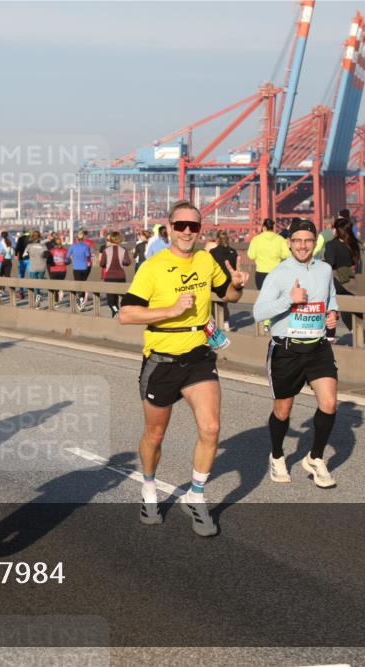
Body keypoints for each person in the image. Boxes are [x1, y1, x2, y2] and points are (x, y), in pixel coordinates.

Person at [118, 200, 248, 535]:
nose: (187, 231)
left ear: (199, 229)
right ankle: (149, 489)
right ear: (170, 227)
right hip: (161, 360)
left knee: (210, 428)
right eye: (181, 226)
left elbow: (230, 297)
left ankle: (197, 495)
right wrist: (171, 310)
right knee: (155, 434)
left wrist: (237, 284)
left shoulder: (206, 260)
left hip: (199, 355)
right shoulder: (153, 266)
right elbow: (126, 314)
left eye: (194, 226)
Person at [252, 219, 341, 488]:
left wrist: (332, 314)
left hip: (318, 348)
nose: (303, 246)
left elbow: (331, 298)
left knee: (329, 404)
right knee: (283, 410)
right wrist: (289, 299)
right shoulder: (278, 274)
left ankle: (315, 458)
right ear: (289, 243)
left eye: (308, 241)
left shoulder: (325, 269)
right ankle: (277, 456)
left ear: (315, 243)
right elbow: (258, 312)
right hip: (286, 351)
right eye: (298, 240)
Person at [323, 219, 361, 339]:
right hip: (351, 282)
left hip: (336, 281)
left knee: (330, 305)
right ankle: (355, 331)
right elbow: (355, 262)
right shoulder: (353, 244)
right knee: (346, 308)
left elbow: (330, 264)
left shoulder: (330, 244)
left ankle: (330, 336)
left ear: (336, 230)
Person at [208, 230, 239, 331]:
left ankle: (219, 322)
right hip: (229, 281)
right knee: (225, 303)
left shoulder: (213, 252)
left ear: (217, 239)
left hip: (216, 280)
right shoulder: (233, 252)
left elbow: (210, 267)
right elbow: (234, 267)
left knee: (213, 303)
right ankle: (226, 322)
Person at [247, 219, 289, 290]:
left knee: (262, 295)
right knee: (276, 295)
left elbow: (251, 256)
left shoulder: (256, 239)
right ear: (273, 227)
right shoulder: (280, 239)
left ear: (264, 228)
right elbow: (286, 255)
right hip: (276, 273)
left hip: (261, 273)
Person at [99, 231, 129, 317]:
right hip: (121, 276)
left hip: (110, 276)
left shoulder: (106, 250)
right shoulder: (123, 250)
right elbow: (127, 262)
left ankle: (115, 311)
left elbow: (101, 264)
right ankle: (118, 314)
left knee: (111, 300)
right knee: (120, 296)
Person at [68, 230, 93, 310]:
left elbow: (67, 255)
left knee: (77, 284)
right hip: (84, 267)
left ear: (76, 238)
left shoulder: (73, 246)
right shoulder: (85, 246)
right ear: (83, 238)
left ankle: (80, 300)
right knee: (82, 283)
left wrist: (73, 257)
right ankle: (81, 300)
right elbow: (88, 255)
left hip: (76, 267)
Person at [23, 231, 48, 308]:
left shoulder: (29, 246)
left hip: (33, 267)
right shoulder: (43, 246)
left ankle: (37, 297)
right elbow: (47, 255)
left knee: (34, 284)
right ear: (39, 237)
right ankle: (38, 297)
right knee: (39, 283)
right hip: (42, 267)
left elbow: (24, 255)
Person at [44, 236, 68, 306]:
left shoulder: (51, 251)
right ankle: (60, 292)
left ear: (54, 244)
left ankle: (56, 301)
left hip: (54, 270)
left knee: (54, 285)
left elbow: (48, 259)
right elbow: (68, 260)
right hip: (62, 270)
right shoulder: (65, 250)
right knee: (60, 284)